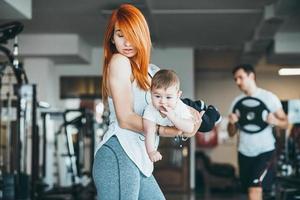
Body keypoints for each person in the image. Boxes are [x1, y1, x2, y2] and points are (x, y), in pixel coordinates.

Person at [92, 4, 202, 200]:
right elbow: (125, 119)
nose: (127, 42)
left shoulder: (152, 72)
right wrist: (165, 130)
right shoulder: (119, 61)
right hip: (120, 151)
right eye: (120, 35)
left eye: (132, 34)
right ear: (112, 38)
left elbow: (172, 112)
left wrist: (189, 124)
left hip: (140, 158)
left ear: (142, 35)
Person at [227, 64, 288, 200]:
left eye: (240, 77)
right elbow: (231, 133)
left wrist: (276, 121)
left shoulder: (269, 98)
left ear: (251, 76)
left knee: (254, 190)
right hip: (244, 152)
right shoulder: (237, 102)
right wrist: (232, 123)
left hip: (264, 152)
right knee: (250, 191)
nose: (237, 82)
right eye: (235, 79)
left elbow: (286, 123)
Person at [143, 69, 195, 162]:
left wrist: (174, 118)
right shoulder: (150, 109)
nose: (163, 101)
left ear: (178, 95)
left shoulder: (180, 107)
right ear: (151, 93)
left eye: (168, 97)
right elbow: (149, 131)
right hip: (167, 126)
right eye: (157, 96)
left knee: (205, 121)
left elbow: (190, 128)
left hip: (189, 110)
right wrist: (151, 152)